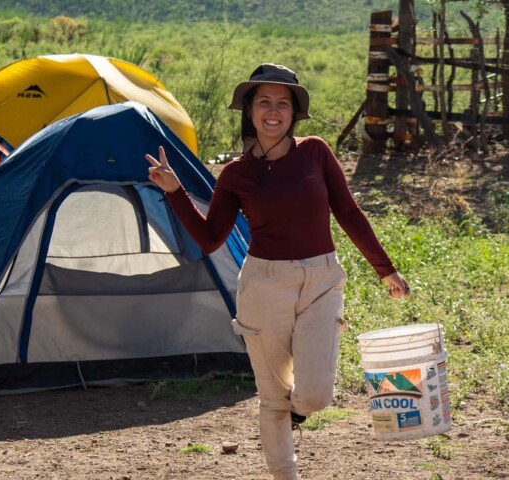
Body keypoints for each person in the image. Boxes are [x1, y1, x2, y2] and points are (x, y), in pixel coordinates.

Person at [145, 63, 410, 480]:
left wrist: (385, 269)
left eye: (282, 103)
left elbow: (348, 212)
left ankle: (298, 411)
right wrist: (176, 193)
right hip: (264, 285)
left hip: (322, 280)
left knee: (317, 394)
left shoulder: (316, 152)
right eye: (264, 102)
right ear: (249, 111)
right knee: (271, 398)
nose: (273, 111)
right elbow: (211, 237)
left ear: (294, 112)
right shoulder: (235, 173)